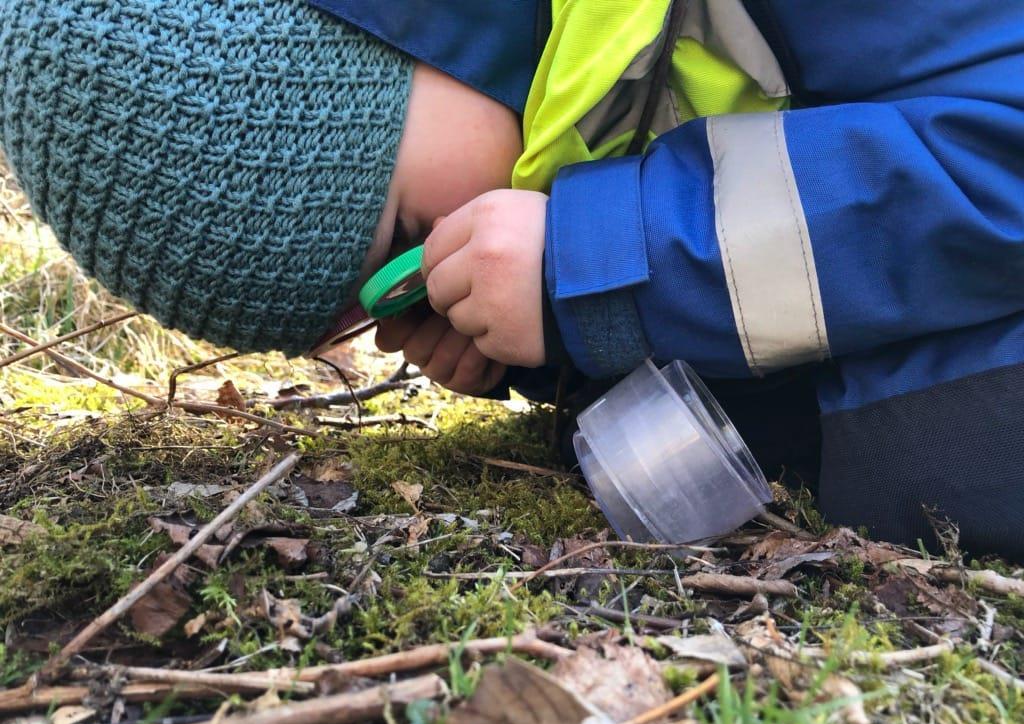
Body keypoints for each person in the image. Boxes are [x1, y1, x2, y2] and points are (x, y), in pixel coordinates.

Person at [3, 1, 1023, 559]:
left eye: (404, 240)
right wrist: (571, 349)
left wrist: (613, 263)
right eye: (377, 317)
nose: (423, 297)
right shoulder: (554, 99)